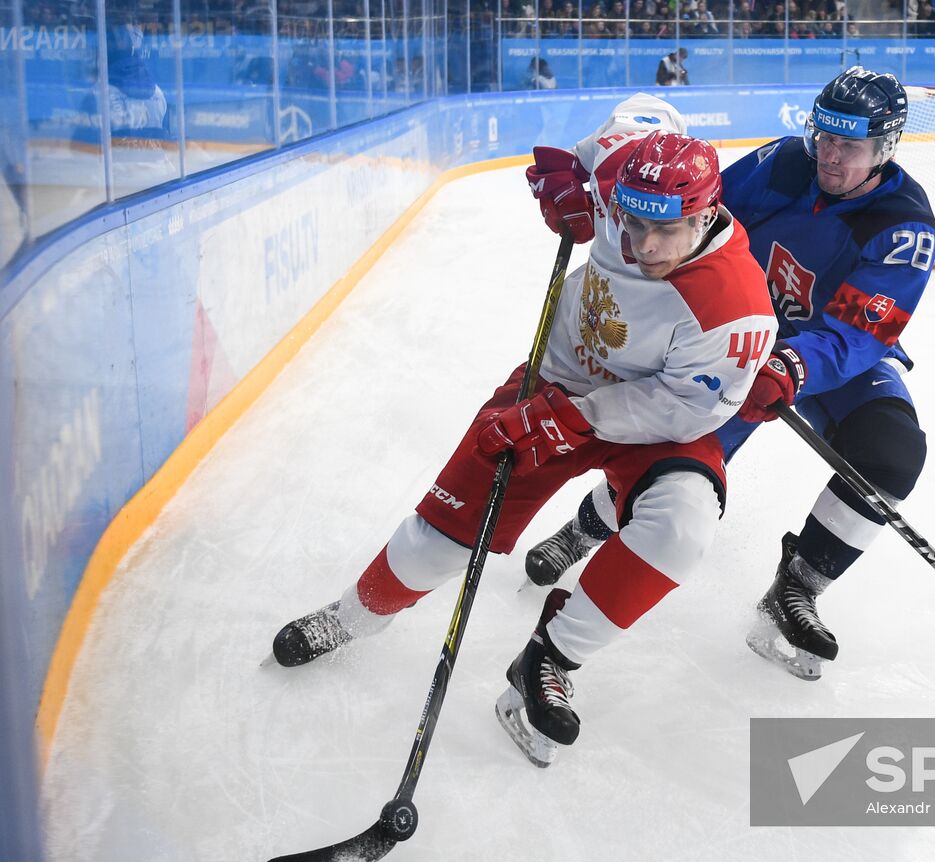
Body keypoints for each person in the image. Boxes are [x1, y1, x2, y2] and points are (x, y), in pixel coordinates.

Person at [269, 94, 776, 768]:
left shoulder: (734, 310)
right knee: (442, 538)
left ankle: (548, 658)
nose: (643, 245)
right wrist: (563, 177)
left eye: (668, 231)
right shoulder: (628, 175)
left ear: (708, 214)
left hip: (654, 418)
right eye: (629, 222)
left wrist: (578, 420)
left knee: (683, 524)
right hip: (560, 378)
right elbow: (639, 114)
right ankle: (353, 616)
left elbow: (684, 412)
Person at [522, 66, 935, 682]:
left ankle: (796, 587)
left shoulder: (904, 224)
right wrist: (602, 203)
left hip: (829, 358)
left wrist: (794, 362)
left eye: (848, 147)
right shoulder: (781, 165)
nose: (829, 154)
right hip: (738, 342)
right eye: (824, 136)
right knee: (676, 462)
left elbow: (861, 329)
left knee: (893, 454)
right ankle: (588, 527)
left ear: (885, 148)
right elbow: (695, 220)